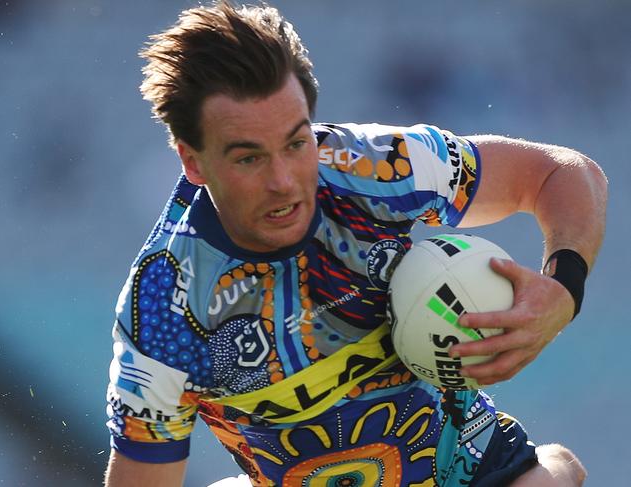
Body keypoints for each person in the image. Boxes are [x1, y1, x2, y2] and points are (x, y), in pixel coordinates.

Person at [103, 2, 606, 486]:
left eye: (296, 143)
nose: (284, 181)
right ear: (192, 162)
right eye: (249, 158)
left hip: (479, 473)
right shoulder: (164, 311)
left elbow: (560, 174)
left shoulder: (370, 167)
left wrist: (563, 289)